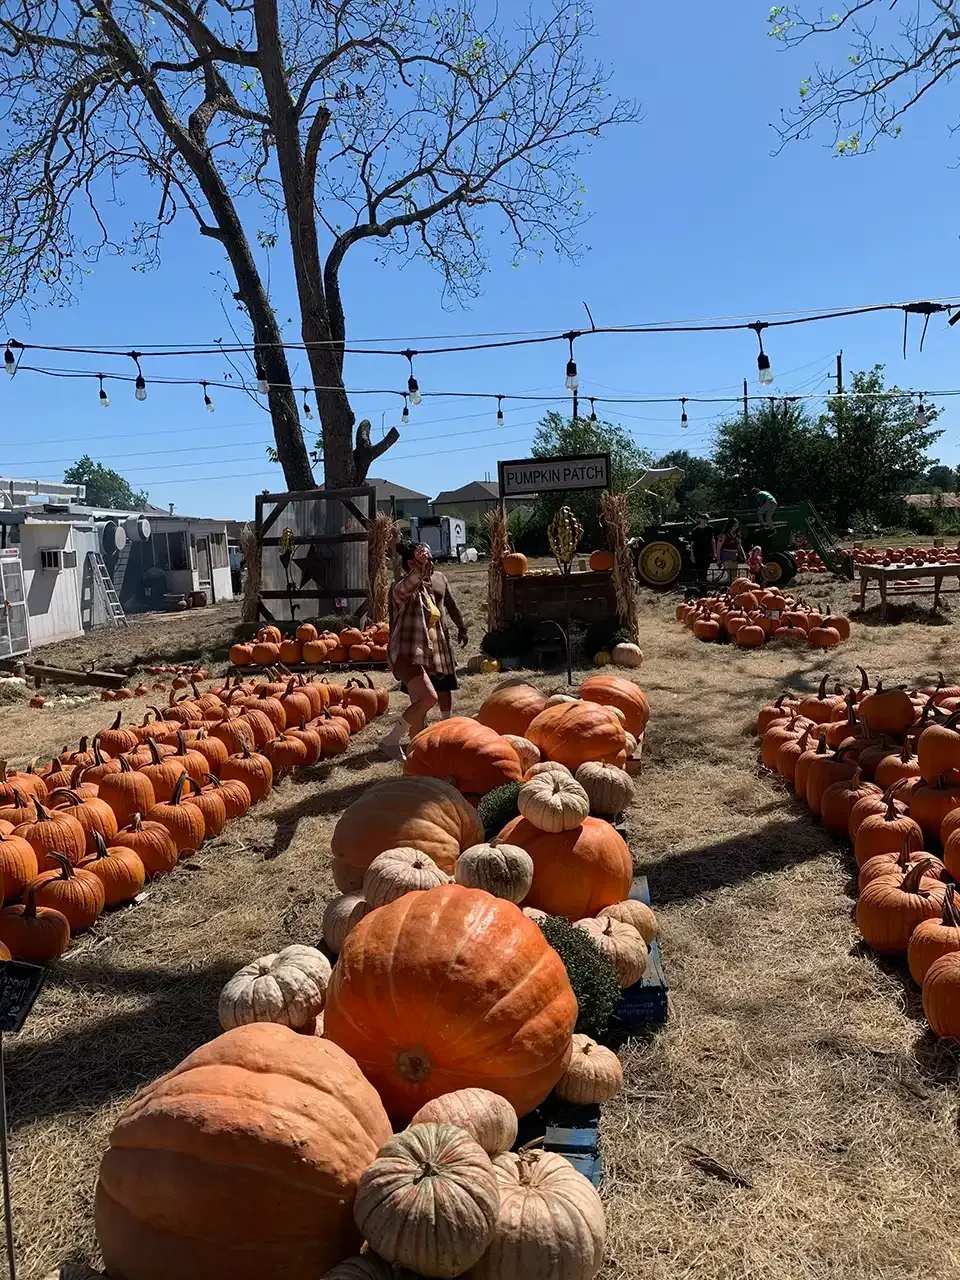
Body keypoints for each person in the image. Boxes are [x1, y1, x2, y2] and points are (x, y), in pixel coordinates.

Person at [380, 541, 469, 760]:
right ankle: (390, 740)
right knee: (429, 698)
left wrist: (460, 627)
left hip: (419, 656)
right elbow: (410, 583)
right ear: (411, 564)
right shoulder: (400, 589)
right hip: (404, 654)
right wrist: (418, 567)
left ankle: (416, 752)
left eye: (429, 560)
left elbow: (440, 610)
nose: (431, 564)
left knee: (421, 703)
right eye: (425, 560)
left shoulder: (425, 592)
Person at [689, 514, 716, 584]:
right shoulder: (695, 530)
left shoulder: (710, 529)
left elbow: (712, 541)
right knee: (699, 568)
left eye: (706, 520)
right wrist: (692, 555)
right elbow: (692, 544)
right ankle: (700, 581)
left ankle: (703, 581)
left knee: (706, 566)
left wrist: (714, 552)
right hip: (698, 552)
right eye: (703, 520)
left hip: (707, 552)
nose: (704, 521)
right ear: (700, 520)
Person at [716, 518, 743, 586]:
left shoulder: (737, 535)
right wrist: (718, 559)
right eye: (734, 526)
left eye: (737, 526)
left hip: (734, 554)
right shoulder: (724, 535)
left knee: (734, 575)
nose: (735, 528)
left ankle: (731, 587)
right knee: (729, 572)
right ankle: (725, 586)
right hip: (726, 554)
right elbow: (718, 547)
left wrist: (739, 544)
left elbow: (738, 547)